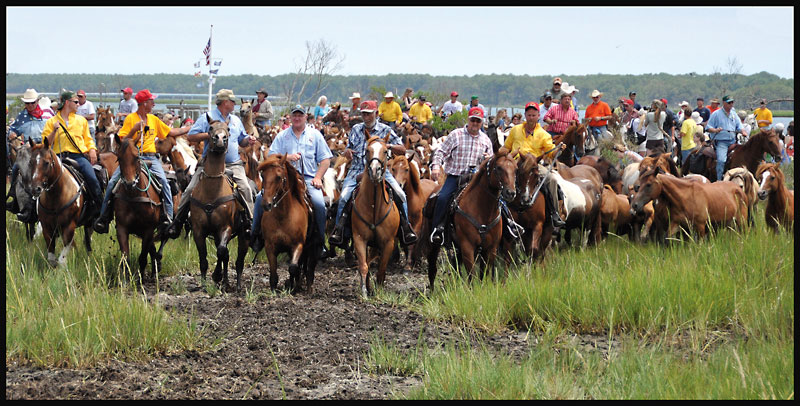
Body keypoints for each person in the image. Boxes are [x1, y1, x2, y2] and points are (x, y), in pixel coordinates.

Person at [93, 89, 192, 233]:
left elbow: (171, 133)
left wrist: (189, 128)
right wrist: (133, 130)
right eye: (151, 101)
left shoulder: (153, 119)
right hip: (133, 158)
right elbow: (121, 140)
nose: (154, 103)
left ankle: (168, 217)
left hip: (151, 157)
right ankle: (104, 217)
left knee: (164, 182)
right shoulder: (131, 119)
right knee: (112, 183)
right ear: (144, 103)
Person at [166, 89, 257, 239]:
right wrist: (210, 134)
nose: (235, 104)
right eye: (232, 101)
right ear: (225, 102)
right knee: (189, 190)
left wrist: (249, 140)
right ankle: (178, 223)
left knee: (246, 188)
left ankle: (250, 223)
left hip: (233, 164)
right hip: (208, 165)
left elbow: (242, 140)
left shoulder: (235, 120)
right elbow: (191, 136)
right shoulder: (206, 117)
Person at [328, 100, 419, 248]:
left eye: (369, 114)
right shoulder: (356, 129)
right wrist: (347, 153)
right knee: (344, 197)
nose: (366, 117)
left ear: (376, 113)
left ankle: (406, 228)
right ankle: (339, 231)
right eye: (364, 114)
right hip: (357, 169)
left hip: (382, 171)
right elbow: (348, 149)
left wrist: (388, 146)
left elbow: (402, 149)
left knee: (400, 194)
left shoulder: (385, 130)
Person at [250, 104, 333, 257]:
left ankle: (320, 242)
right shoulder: (282, 136)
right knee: (260, 198)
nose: (297, 118)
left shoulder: (315, 135)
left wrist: (318, 177)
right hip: (284, 180)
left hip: (307, 178)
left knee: (319, 204)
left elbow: (326, 159)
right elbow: (270, 156)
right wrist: (286, 157)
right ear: (291, 117)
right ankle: (256, 236)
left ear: (305, 117)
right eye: (294, 115)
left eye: (300, 115)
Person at [428, 107, 494, 245]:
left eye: (478, 121)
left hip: (476, 180)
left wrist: (489, 159)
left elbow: (491, 163)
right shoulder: (456, 135)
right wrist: (435, 166)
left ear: (482, 123)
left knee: (495, 200)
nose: (475, 123)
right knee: (442, 198)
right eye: (473, 120)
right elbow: (440, 152)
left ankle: (505, 229)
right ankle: (438, 229)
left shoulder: (486, 140)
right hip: (456, 177)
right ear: (468, 120)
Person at [502, 101, 567, 229]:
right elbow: (506, 147)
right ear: (525, 115)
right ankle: (497, 211)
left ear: (538, 116)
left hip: (534, 165)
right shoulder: (515, 130)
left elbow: (550, 152)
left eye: (534, 115)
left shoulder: (544, 134)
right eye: (529, 115)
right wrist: (500, 155)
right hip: (516, 164)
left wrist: (558, 150)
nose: (531, 118)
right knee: (500, 177)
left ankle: (554, 213)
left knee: (552, 179)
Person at [40, 90, 103, 218]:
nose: (78, 104)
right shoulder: (51, 122)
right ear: (67, 103)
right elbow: (45, 145)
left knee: (92, 178)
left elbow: (88, 139)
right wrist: (53, 131)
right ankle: (34, 211)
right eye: (76, 102)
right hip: (58, 158)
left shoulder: (81, 121)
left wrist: (92, 150)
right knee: (39, 180)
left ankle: (100, 211)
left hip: (78, 157)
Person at [6, 89, 49, 215]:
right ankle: (14, 196)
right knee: (15, 169)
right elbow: (13, 129)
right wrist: (12, 134)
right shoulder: (22, 116)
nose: (30, 106)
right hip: (29, 150)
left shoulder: (47, 115)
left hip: (44, 149)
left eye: (32, 102)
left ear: (37, 101)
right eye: (27, 103)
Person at [706, 95, 746, 181]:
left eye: (732, 102)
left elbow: (739, 126)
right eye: (729, 103)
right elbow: (708, 127)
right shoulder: (716, 114)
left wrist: (743, 131)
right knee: (721, 160)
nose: (731, 104)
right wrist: (715, 130)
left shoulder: (734, 114)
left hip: (734, 141)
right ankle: (719, 179)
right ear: (724, 103)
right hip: (721, 142)